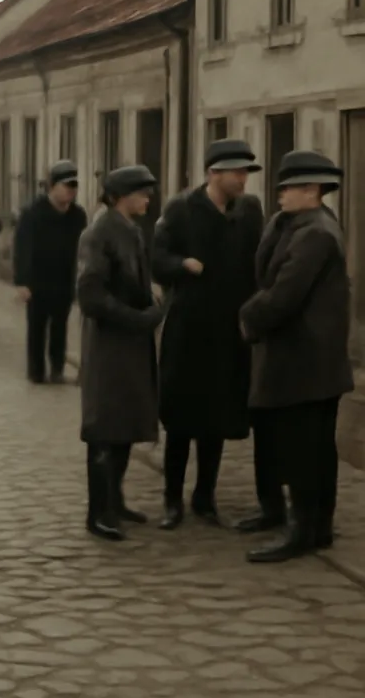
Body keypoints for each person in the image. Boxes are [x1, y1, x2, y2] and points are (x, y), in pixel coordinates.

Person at [239, 150, 354, 563]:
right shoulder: (292, 223)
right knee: (314, 448)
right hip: (304, 358)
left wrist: (247, 317)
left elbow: (285, 294)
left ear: (312, 190)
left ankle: (305, 531)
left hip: (307, 360)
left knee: (308, 452)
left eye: (288, 187)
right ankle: (315, 528)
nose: (280, 193)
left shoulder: (316, 233)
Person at [152, 140, 267, 530]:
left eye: (245, 173)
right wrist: (181, 264)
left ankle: (205, 496)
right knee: (182, 418)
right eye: (236, 172)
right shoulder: (181, 209)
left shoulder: (249, 212)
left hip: (229, 331)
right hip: (188, 329)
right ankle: (172, 499)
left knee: (217, 417)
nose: (242, 179)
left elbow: (260, 261)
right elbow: (157, 259)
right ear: (212, 173)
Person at [77, 165, 162, 541]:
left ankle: (116, 498)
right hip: (109, 344)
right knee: (105, 428)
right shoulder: (99, 233)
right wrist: (138, 318)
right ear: (118, 197)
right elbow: (91, 296)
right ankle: (98, 512)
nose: (148, 198)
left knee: (126, 422)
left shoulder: (131, 230)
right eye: (141, 193)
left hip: (130, 343)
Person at [13, 160, 88, 384]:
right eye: (67, 186)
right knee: (37, 327)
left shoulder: (78, 216)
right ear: (52, 186)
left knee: (60, 326)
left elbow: (83, 249)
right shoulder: (33, 213)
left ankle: (56, 369)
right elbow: (22, 248)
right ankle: (36, 372)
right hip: (38, 280)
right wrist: (22, 281)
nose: (71, 191)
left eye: (75, 186)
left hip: (64, 280)